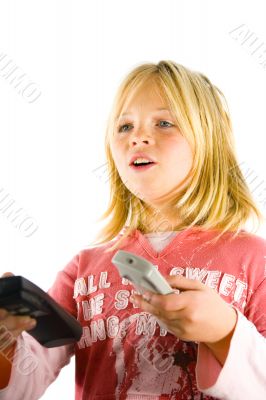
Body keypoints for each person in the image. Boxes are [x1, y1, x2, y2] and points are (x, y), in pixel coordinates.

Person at [0, 60, 265, 400]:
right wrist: (7, 341)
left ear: (209, 142)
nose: (139, 137)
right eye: (124, 127)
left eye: (164, 123)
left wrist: (226, 332)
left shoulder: (255, 260)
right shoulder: (84, 268)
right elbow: (22, 386)